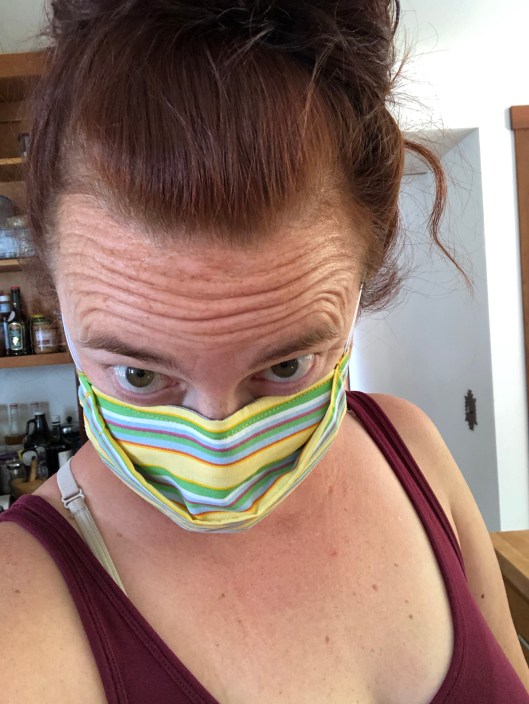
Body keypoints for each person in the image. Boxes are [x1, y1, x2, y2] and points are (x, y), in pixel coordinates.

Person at [1, 1, 528, 702]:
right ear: (56, 293)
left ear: (362, 279)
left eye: (284, 367)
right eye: (139, 374)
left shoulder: (412, 446)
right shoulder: (18, 612)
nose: (218, 451)